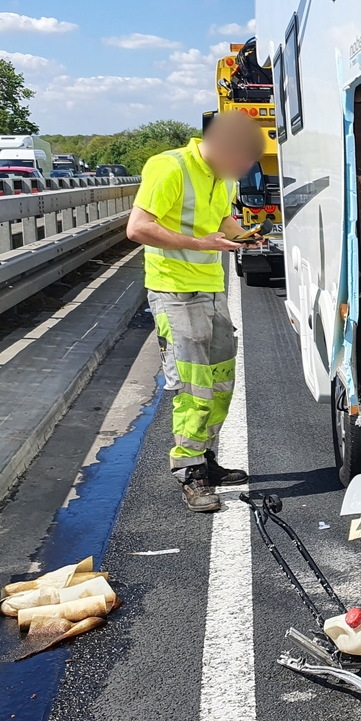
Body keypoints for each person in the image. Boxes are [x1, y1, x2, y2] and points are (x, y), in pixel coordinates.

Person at [126, 110, 265, 512]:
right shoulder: (169, 167)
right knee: (192, 384)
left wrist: (246, 237)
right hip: (174, 291)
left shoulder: (220, 178)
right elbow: (137, 227)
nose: (243, 169)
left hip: (209, 288)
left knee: (220, 379)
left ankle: (205, 458)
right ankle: (189, 471)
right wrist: (201, 244)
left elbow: (223, 221)